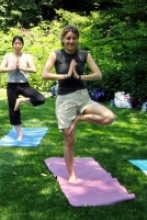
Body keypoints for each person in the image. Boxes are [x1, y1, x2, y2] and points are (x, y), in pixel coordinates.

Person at [42, 25, 115, 183]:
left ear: (77, 39)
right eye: (68, 38)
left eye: (74, 38)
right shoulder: (56, 54)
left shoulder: (84, 54)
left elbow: (98, 75)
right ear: (63, 39)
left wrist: (78, 76)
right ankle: (71, 175)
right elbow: (44, 75)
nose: (71, 41)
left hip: (83, 97)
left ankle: (79, 118)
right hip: (64, 99)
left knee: (110, 117)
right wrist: (67, 75)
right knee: (69, 140)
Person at [0, 35, 46, 140]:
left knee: (41, 99)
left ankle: (21, 100)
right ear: (12, 45)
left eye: (20, 43)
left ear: (22, 45)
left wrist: (21, 68)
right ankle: (19, 134)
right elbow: (1, 69)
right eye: (16, 43)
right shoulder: (8, 56)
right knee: (13, 110)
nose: (17, 45)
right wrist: (12, 68)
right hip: (11, 86)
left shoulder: (26, 56)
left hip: (24, 85)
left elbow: (34, 69)